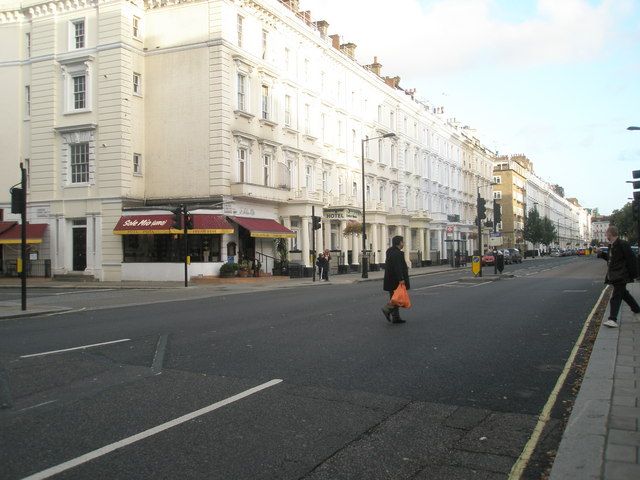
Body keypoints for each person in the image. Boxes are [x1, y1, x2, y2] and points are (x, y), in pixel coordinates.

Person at [598, 225, 640, 328]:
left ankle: (612, 319)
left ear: (610, 233)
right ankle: (637, 311)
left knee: (616, 297)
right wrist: (601, 254)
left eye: (606, 233)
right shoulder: (611, 245)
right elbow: (610, 259)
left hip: (622, 275)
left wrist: (634, 274)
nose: (605, 235)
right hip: (614, 275)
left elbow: (631, 259)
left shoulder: (623, 244)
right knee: (624, 294)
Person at [381, 235, 410, 324]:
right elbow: (398, 267)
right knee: (398, 298)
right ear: (399, 243)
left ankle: (396, 317)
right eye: (402, 242)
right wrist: (401, 279)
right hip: (395, 280)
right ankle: (387, 308)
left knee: (395, 297)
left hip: (390, 279)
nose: (403, 244)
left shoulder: (390, 251)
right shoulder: (397, 253)